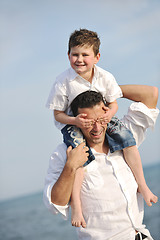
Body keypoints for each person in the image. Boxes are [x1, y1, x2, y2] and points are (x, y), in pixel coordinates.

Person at [46, 29, 158, 228]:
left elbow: (120, 102)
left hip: (106, 116)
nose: (79, 60)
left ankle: (143, 186)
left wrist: (108, 110)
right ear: (68, 55)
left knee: (128, 142)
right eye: (74, 54)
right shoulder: (63, 81)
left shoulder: (105, 77)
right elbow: (57, 114)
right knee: (80, 159)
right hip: (75, 124)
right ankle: (78, 208)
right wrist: (77, 122)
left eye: (85, 55)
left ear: (97, 57)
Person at [44, 85, 159, 240]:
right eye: (89, 122)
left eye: (100, 119)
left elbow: (151, 94)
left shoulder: (124, 137)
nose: (97, 128)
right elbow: (55, 204)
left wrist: (104, 91)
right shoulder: (65, 153)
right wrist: (71, 166)